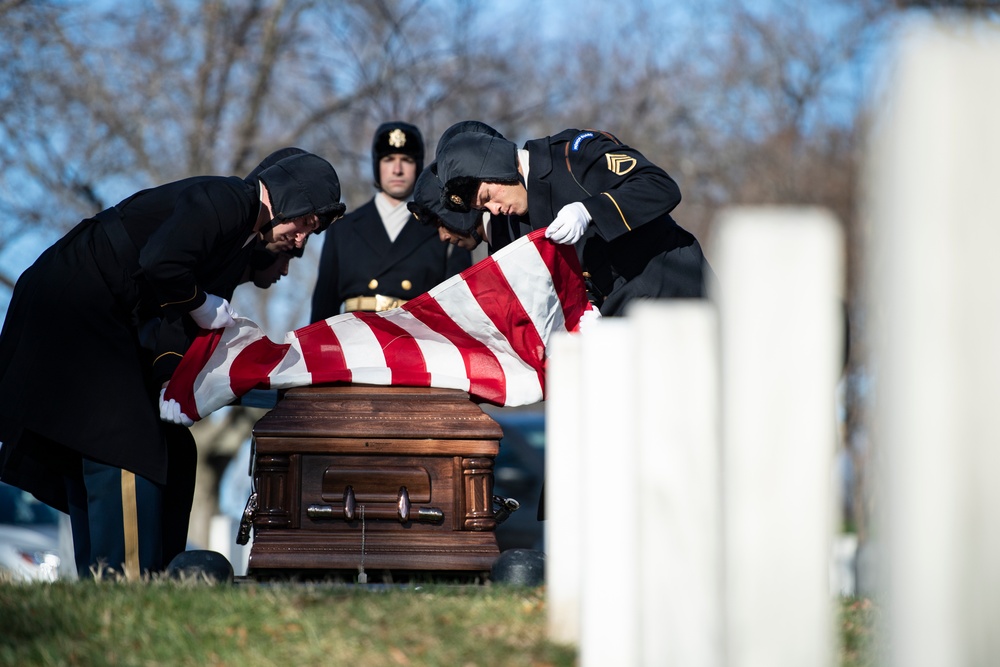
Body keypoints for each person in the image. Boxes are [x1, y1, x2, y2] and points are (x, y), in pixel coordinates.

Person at [0, 149, 345, 579]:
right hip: (75, 302)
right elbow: (161, 262)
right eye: (307, 223)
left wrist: (168, 383)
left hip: (93, 316)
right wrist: (202, 305)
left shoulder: (234, 245)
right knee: (125, 444)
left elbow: (174, 330)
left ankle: (148, 575)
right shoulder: (231, 199)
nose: (301, 240)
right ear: (293, 196)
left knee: (172, 446)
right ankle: (123, 582)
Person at [437, 126, 714, 316]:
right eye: (483, 207)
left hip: (676, 290)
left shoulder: (574, 155)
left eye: (488, 197)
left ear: (496, 166)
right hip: (626, 317)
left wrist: (590, 210)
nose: (493, 210)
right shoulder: (517, 220)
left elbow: (660, 186)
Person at [310, 121, 471, 322]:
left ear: (418, 166)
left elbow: (459, 312)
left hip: (419, 344)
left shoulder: (446, 229)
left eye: (406, 160)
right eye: (388, 159)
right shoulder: (343, 229)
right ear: (377, 165)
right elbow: (323, 312)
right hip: (355, 343)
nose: (397, 169)